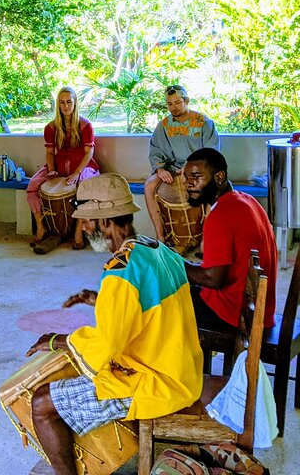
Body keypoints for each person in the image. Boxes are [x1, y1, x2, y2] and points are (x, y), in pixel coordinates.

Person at [25, 173, 203, 474]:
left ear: (104, 221)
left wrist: (60, 341)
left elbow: (107, 344)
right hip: (182, 369)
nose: (82, 227)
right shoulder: (158, 250)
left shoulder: (119, 273)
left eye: (86, 221)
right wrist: (99, 299)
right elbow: (146, 305)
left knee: (42, 404)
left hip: (155, 381)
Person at [183, 147, 277, 330]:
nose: (189, 184)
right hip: (261, 310)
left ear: (219, 177)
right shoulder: (248, 201)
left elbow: (213, 279)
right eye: (186, 177)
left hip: (234, 315)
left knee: (164, 303)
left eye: (196, 177)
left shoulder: (220, 215)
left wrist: (172, 265)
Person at [26, 87, 100, 249]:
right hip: (59, 166)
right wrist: (52, 169)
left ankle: (78, 232)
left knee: (84, 189)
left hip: (82, 167)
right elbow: (50, 152)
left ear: (75, 103)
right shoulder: (51, 127)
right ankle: (41, 227)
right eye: (62, 102)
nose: (66, 106)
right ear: (58, 105)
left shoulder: (85, 125)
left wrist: (76, 173)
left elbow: (89, 152)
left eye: (69, 102)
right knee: (32, 186)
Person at [145, 84, 220, 243]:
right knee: (149, 185)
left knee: (213, 188)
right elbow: (156, 149)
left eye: (177, 102)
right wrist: (159, 169)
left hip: (198, 170)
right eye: (170, 104)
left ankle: (207, 240)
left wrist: (191, 167)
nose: (174, 107)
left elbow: (211, 152)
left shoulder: (204, 122)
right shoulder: (164, 125)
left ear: (186, 101)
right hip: (172, 168)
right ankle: (160, 238)